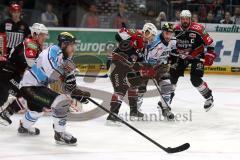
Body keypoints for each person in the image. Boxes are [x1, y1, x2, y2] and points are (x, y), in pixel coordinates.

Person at [17, 32, 91, 145]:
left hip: (38, 87)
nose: (74, 48)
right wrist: (65, 69)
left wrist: (77, 93)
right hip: (29, 86)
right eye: (71, 45)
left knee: (36, 111)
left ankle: (24, 127)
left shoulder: (66, 58)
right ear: (64, 44)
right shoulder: (50, 52)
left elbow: (70, 83)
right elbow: (52, 75)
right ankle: (60, 134)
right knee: (61, 102)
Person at [0, 23, 48, 126]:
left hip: (12, 73)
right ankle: (6, 113)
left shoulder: (37, 46)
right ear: (35, 34)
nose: (45, 37)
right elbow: (31, 63)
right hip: (8, 73)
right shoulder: (30, 43)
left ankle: (7, 113)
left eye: (45, 35)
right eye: (42, 34)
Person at [170, 10, 216, 111]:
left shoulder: (198, 29)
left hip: (196, 56)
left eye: (187, 19)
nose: (185, 21)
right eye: (183, 19)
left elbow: (210, 43)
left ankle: (209, 98)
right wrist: (171, 53)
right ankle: (167, 98)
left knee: (195, 79)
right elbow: (169, 43)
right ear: (180, 19)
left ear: (190, 19)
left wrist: (210, 55)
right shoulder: (175, 29)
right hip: (182, 57)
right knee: (172, 75)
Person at [106, 28, 145, 125]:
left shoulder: (135, 48)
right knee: (120, 90)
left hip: (126, 70)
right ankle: (112, 115)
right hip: (116, 70)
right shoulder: (124, 47)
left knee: (133, 86)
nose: (139, 40)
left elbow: (140, 62)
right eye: (135, 39)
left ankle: (133, 111)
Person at [137, 22, 175, 120]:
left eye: (171, 33)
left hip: (161, 66)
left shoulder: (172, 40)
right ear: (162, 32)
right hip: (147, 65)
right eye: (167, 33)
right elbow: (149, 62)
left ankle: (165, 108)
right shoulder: (156, 44)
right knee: (141, 87)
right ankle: (135, 108)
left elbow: (173, 51)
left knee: (166, 85)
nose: (169, 36)